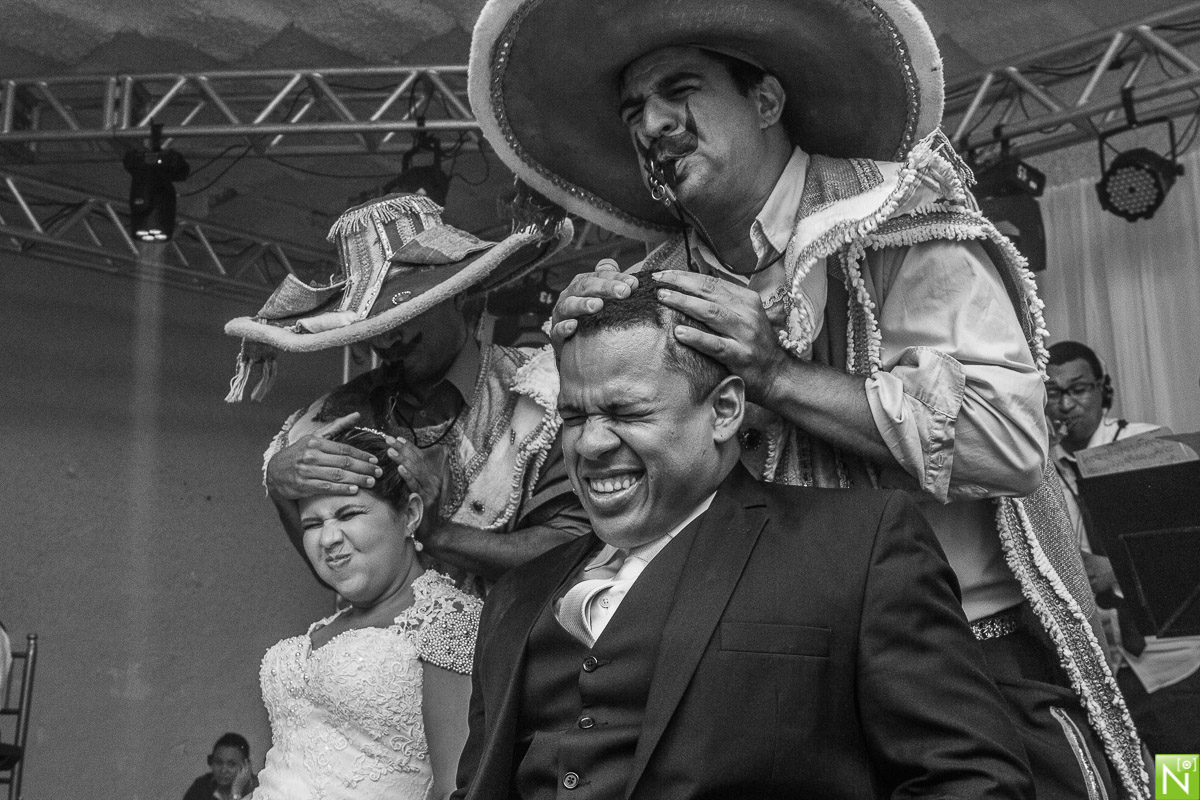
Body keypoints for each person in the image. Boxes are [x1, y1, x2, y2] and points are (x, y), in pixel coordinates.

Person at [468, 1, 1147, 797]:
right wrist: (591, 373)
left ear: (765, 100)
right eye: (633, 110)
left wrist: (777, 376)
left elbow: (1009, 445)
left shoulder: (902, 221)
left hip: (967, 662)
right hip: (761, 686)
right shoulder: (654, 283)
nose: (651, 123)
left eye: (679, 89)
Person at [452, 277, 1033, 799]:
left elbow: (974, 782)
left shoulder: (856, 548)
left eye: (626, 413)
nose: (591, 445)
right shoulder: (518, 597)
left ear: (725, 410)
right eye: (575, 417)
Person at [226, 192, 588, 592]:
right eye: (372, 324)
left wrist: (440, 535)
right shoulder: (338, 414)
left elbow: (571, 555)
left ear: (458, 292)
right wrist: (281, 490)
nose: (387, 337)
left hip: (509, 650)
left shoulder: (541, 394)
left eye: (406, 312)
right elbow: (337, 574)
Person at [251, 427, 480, 800]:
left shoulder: (448, 619)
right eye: (312, 523)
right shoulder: (326, 628)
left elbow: (456, 789)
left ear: (409, 515)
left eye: (348, 514)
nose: (328, 539)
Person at [1047, 340, 1200, 755]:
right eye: (1053, 392)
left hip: (1174, 666)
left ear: (1103, 390)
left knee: (1180, 783)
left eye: (1078, 389)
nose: (1065, 405)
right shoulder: (1037, 468)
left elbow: (1186, 544)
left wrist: (1114, 569)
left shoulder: (1146, 443)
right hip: (1104, 667)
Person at [182, 733, 258, 800]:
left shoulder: (261, 788)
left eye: (231, 764)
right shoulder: (202, 786)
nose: (223, 770)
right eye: (218, 762)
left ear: (246, 766)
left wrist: (236, 793)